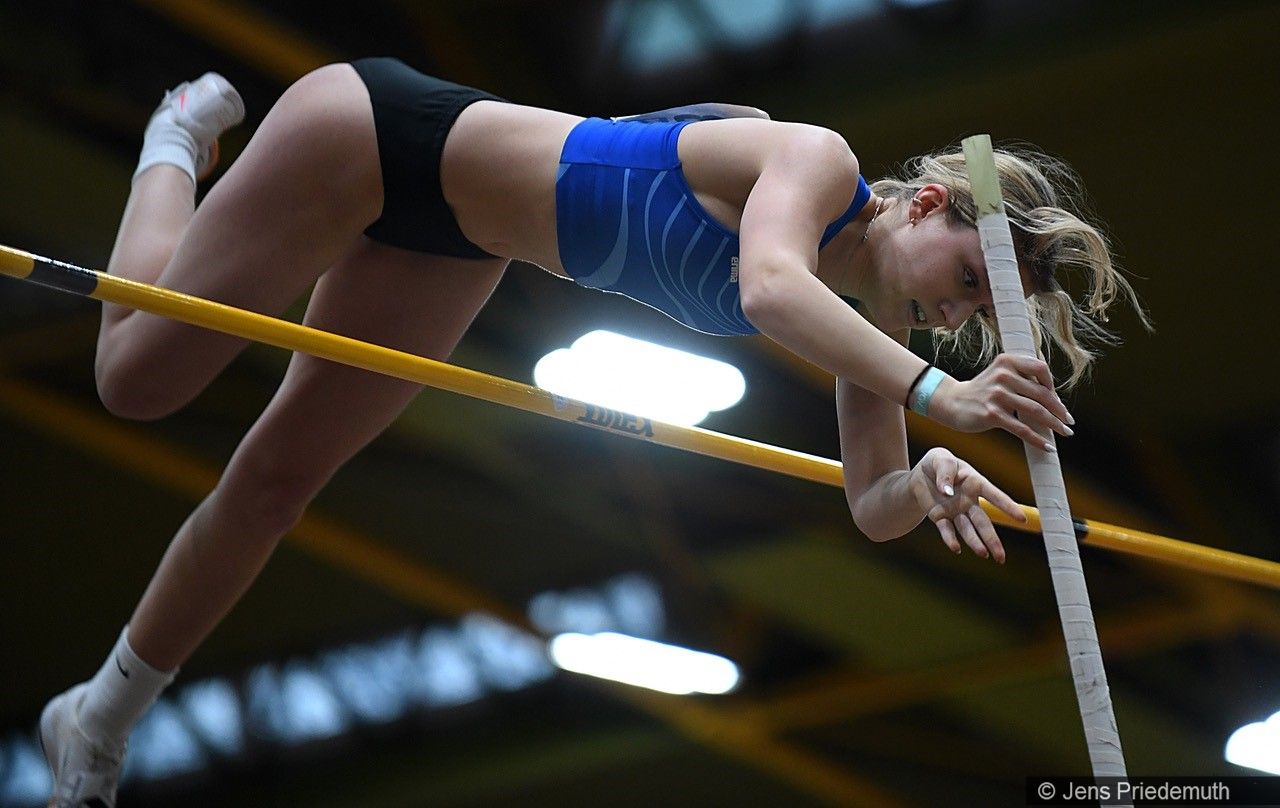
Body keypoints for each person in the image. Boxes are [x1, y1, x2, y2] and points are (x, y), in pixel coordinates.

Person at [38, 57, 1147, 807]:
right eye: (969, 281)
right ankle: (175, 138)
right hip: (372, 133)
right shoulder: (816, 162)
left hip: (453, 242)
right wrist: (939, 397)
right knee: (135, 379)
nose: (955, 315)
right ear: (928, 205)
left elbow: (869, 504)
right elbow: (766, 288)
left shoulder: (877, 331)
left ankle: (99, 719)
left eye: (974, 315)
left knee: (279, 482)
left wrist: (929, 474)